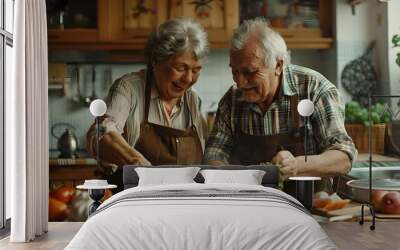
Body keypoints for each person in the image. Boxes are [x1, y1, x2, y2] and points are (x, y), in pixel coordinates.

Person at [203, 18, 357, 192]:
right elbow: (215, 152)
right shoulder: (231, 100)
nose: (240, 82)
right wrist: (219, 172)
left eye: (250, 72)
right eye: (235, 71)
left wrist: (297, 165)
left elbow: (344, 157)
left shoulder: (314, 89)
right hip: (252, 203)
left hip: (310, 204)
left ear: (278, 65)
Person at [87, 18, 209, 191]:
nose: (188, 79)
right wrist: (139, 164)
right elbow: (100, 133)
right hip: (133, 203)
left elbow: (206, 160)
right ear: (156, 62)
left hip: (182, 203)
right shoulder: (129, 88)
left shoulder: (193, 101)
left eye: (196, 70)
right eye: (181, 68)